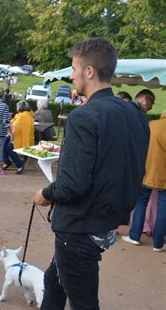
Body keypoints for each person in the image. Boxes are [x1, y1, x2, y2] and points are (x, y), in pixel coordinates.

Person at [33, 38, 149, 310]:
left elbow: (73, 184)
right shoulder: (135, 114)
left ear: (89, 71)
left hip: (80, 228)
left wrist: (45, 193)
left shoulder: (83, 117)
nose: (71, 75)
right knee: (53, 281)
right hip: (104, 220)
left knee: (84, 303)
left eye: (74, 68)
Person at [122, 110, 165, 252]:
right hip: (164, 176)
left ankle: (134, 236)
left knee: (141, 204)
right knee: (163, 210)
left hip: (147, 171)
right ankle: (158, 244)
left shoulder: (152, 125)